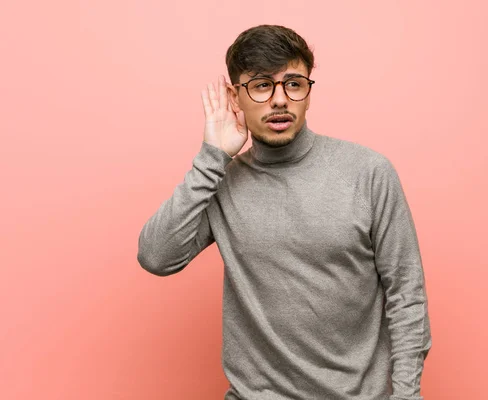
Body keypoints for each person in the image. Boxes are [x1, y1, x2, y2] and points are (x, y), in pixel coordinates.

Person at [137, 24, 432, 400]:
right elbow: (156, 257)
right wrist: (213, 157)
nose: (280, 100)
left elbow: (407, 293)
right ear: (235, 96)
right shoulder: (221, 181)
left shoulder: (369, 172)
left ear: (308, 92)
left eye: (293, 84)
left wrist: (406, 395)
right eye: (261, 85)